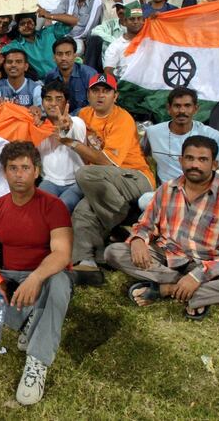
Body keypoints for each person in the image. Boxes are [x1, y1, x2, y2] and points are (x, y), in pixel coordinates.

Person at [0, 141, 73, 405]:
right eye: (13, 168)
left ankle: (37, 361)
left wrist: (35, 278)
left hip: (43, 276)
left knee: (61, 282)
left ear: (36, 172)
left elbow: (62, 254)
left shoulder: (53, 206)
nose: (19, 174)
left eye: (25, 168)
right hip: (8, 277)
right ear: (4, 173)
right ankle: (29, 319)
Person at [105, 135, 219, 321]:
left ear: (214, 164)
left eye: (202, 159)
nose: (194, 165)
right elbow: (147, 224)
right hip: (167, 255)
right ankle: (194, 292)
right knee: (114, 252)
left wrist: (198, 275)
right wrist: (139, 239)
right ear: (181, 161)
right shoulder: (167, 189)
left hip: (209, 263)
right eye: (189, 158)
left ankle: (167, 289)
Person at [66, 73, 154, 285]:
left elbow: (107, 162)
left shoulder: (122, 118)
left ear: (116, 96)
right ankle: (88, 263)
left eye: (106, 90)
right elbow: (62, 123)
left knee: (84, 174)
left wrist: (72, 144)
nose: (100, 95)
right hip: (104, 184)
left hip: (135, 178)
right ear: (88, 94)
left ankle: (119, 221)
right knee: (84, 209)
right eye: (95, 90)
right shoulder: (84, 114)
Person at [141, 87, 219, 209]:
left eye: (187, 106)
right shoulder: (153, 133)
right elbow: (139, 154)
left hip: (206, 190)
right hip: (171, 192)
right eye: (177, 106)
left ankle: (209, 209)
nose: (182, 111)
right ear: (169, 109)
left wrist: (217, 171)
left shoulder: (210, 134)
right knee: (144, 201)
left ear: (196, 109)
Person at [38, 81, 87, 212]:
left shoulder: (77, 122)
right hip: (49, 181)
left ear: (66, 103)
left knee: (62, 206)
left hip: (76, 183)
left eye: (58, 99)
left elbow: (70, 129)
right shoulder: (38, 127)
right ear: (42, 102)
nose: (53, 103)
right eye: (48, 99)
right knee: (39, 207)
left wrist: (65, 128)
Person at [3, 12, 73, 78]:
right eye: (22, 24)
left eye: (29, 22)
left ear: (35, 23)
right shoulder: (16, 45)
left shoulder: (48, 32)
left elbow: (73, 21)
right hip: (42, 83)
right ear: (18, 28)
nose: (26, 26)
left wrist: (49, 16)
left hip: (65, 75)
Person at [44, 36, 98, 114]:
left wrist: (71, 117)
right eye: (59, 54)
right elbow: (48, 103)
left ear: (75, 56)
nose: (63, 58)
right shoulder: (50, 76)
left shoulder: (89, 74)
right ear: (54, 57)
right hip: (59, 119)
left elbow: (95, 104)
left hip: (85, 119)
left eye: (68, 54)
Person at [103, 5, 145, 79]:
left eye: (139, 19)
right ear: (125, 22)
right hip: (125, 86)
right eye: (132, 19)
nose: (136, 22)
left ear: (143, 21)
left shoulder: (151, 42)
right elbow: (108, 71)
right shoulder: (115, 45)